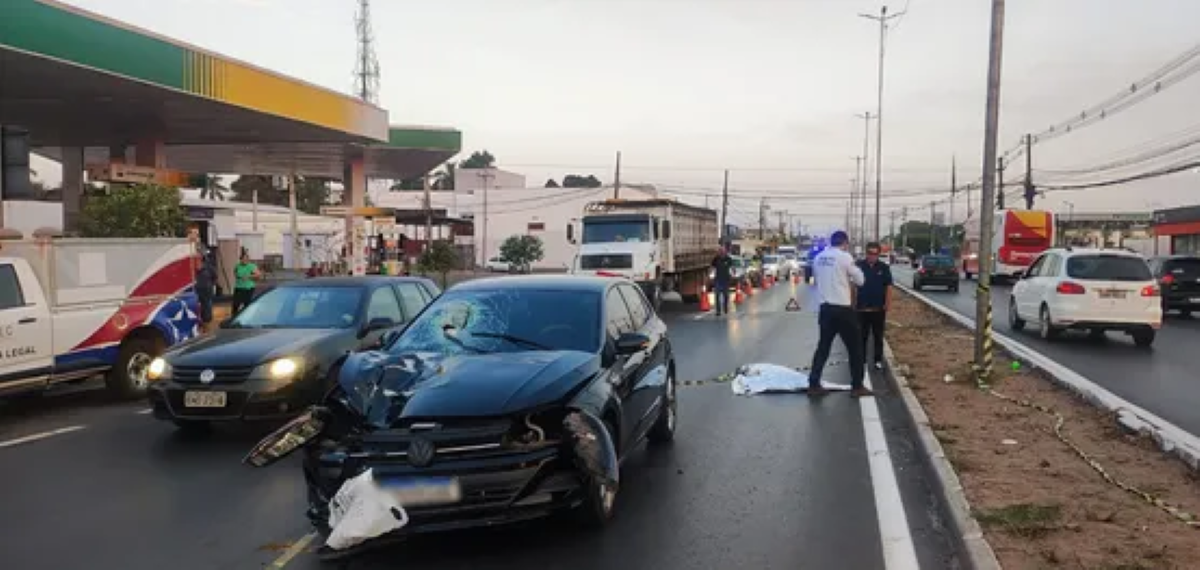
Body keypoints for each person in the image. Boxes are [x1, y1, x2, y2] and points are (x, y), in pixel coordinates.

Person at [806, 230, 871, 398]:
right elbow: (860, 281)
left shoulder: (819, 258)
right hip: (843, 309)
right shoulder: (845, 257)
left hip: (825, 309)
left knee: (823, 348)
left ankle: (814, 384)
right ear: (845, 243)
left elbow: (816, 278)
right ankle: (857, 386)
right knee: (855, 348)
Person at [856, 242, 893, 370]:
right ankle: (862, 361)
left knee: (878, 336)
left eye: (875, 254)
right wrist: (852, 303)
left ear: (878, 254)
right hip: (861, 308)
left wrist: (887, 303)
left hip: (878, 309)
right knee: (862, 337)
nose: (872, 256)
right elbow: (852, 285)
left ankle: (877, 360)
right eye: (870, 253)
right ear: (866, 253)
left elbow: (888, 286)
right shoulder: (859, 266)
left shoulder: (883, 268)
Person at [231, 249, 262, 317]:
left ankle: (247, 317)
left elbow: (258, 274)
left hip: (248, 288)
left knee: (246, 304)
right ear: (240, 259)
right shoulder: (237, 266)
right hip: (238, 287)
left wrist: (249, 276)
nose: (245, 260)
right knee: (235, 304)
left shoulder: (251, 266)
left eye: (246, 259)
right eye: (243, 259)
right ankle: (233, 318)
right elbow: (235, 273)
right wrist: (238, 276)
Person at [194, 251, 217, 332]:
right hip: (195, 292)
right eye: (196, 256)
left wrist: (211, 285)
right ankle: (196, 328)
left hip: (207, 292)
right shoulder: (191, 266)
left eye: (199, 256)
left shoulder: (209, 267)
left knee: (206, 310)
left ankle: (206, 329)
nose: (198, 258)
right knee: (195, 309)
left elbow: (214, 277)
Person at [711, 246, 734, 316]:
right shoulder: (716, 259)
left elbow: (732, 267)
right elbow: (712, 267)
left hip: (726, 280)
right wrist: (711, 275)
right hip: (718, 280)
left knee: (726, 296)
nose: (721, 252)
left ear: (725, 252)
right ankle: (718, 311)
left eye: (722, 251)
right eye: (720, 251)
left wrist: (733, 272)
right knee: (717, 296)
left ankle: (725, 308)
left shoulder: (728, 259)